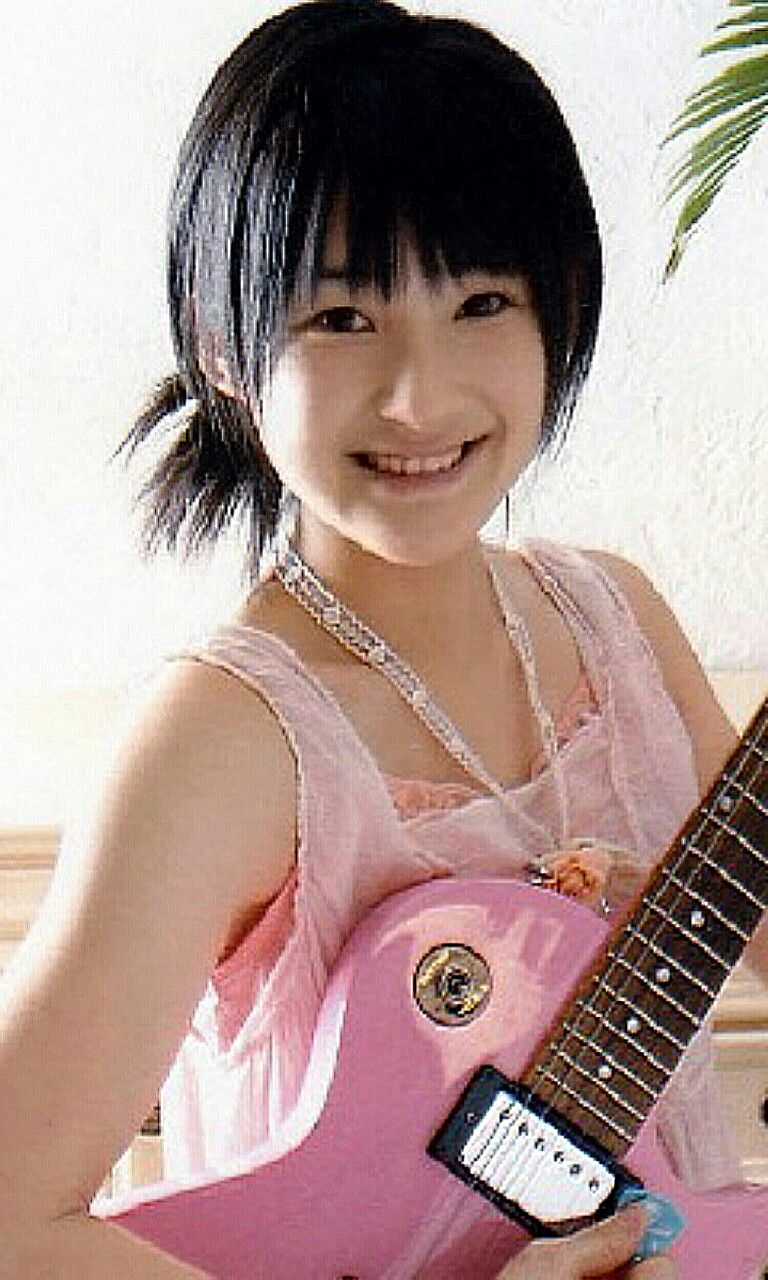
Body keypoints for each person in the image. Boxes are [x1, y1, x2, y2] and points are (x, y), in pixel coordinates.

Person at [1, 2, 764, 1277]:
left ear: (561, 309)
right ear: (221, 344)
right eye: (346, 319)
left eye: (482, 301)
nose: (422, 395)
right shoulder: (224, 739)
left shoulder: (616, 622)